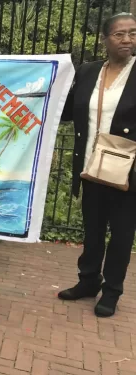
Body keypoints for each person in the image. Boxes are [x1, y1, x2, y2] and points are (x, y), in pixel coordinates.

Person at [58, 12, 136, 317]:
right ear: (105, 39)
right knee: (91, 230)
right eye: (119, 34)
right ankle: (88, 280)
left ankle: (112, 291)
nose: (127, 39)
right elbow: (66, 110)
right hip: (91, 166)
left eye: (132, 33)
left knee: (121, 234)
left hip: (127, 172)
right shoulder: (89, 71)